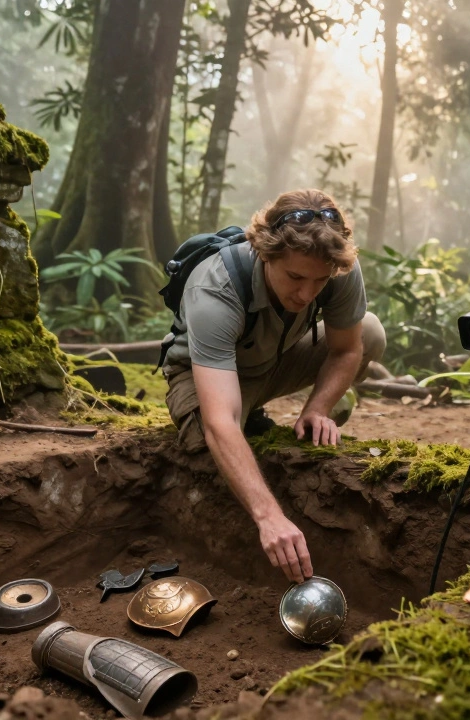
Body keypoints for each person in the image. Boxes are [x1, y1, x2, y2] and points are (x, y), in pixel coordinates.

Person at [162, 189, 386, 583]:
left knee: (370, 331)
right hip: (205, 375)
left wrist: (318, 406)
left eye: (319, 281)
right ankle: (252, 413)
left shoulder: (335, 269)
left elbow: (347, 349)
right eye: (295, 277)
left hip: (276, 357)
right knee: (207, 439)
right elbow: (220, 420)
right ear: (265, 253)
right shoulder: (215, 288)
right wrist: (269, 516)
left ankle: (323, 403)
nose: (306, 293)